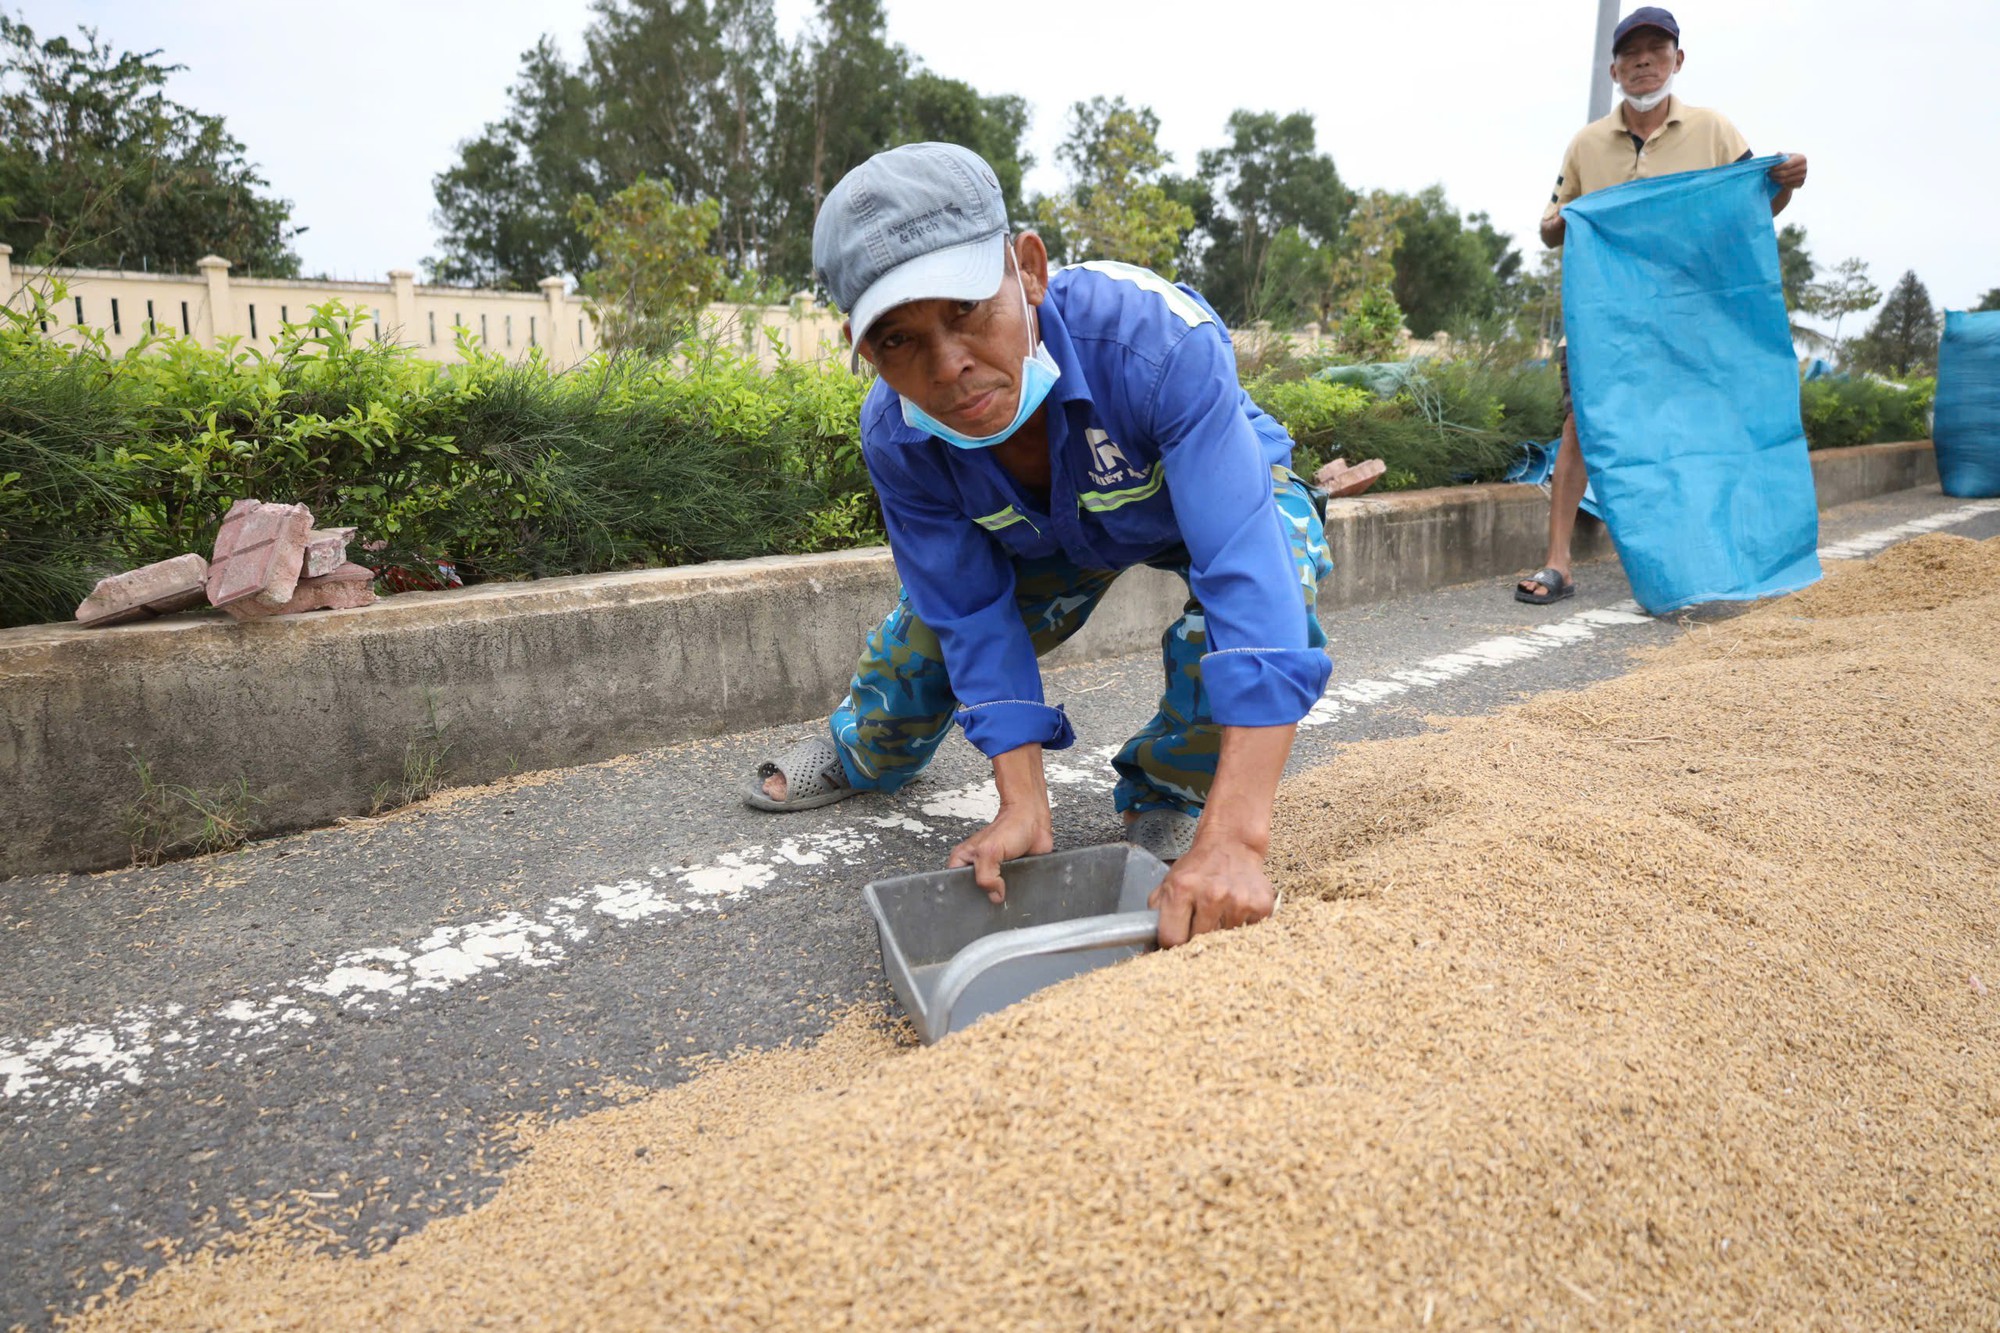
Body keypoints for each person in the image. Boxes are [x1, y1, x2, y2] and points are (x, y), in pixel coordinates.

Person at [740, 141, 1334, 948]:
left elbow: (1242, 567)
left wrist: (1240, 838)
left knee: (1281, 570)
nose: (950, 366)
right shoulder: (897, 437)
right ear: (862, 346)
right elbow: (969, 609)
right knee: (929, 632)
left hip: (1208, 500)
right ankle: (864, 747)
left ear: (1028, 269)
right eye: (898, 341)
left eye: (965, 312)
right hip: (1051, 531)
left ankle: (1177, 791)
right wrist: (1021, 802)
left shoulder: (1157, 342)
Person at [1517, 5, 1808, 604]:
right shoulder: (1587, 144)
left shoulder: (1714, 131)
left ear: (1678, 60)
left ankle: (1718, 557)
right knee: (1582, 425)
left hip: (1690, 321)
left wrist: (1783, 184)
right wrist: (1563, 221)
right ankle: (1558, 563)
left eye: (1657, 50)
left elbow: (1747, 211)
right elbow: (1551, 225)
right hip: (1606, 323)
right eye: (1631, 53)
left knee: (1701, 432)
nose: (1644, 61)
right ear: (1614, 70)